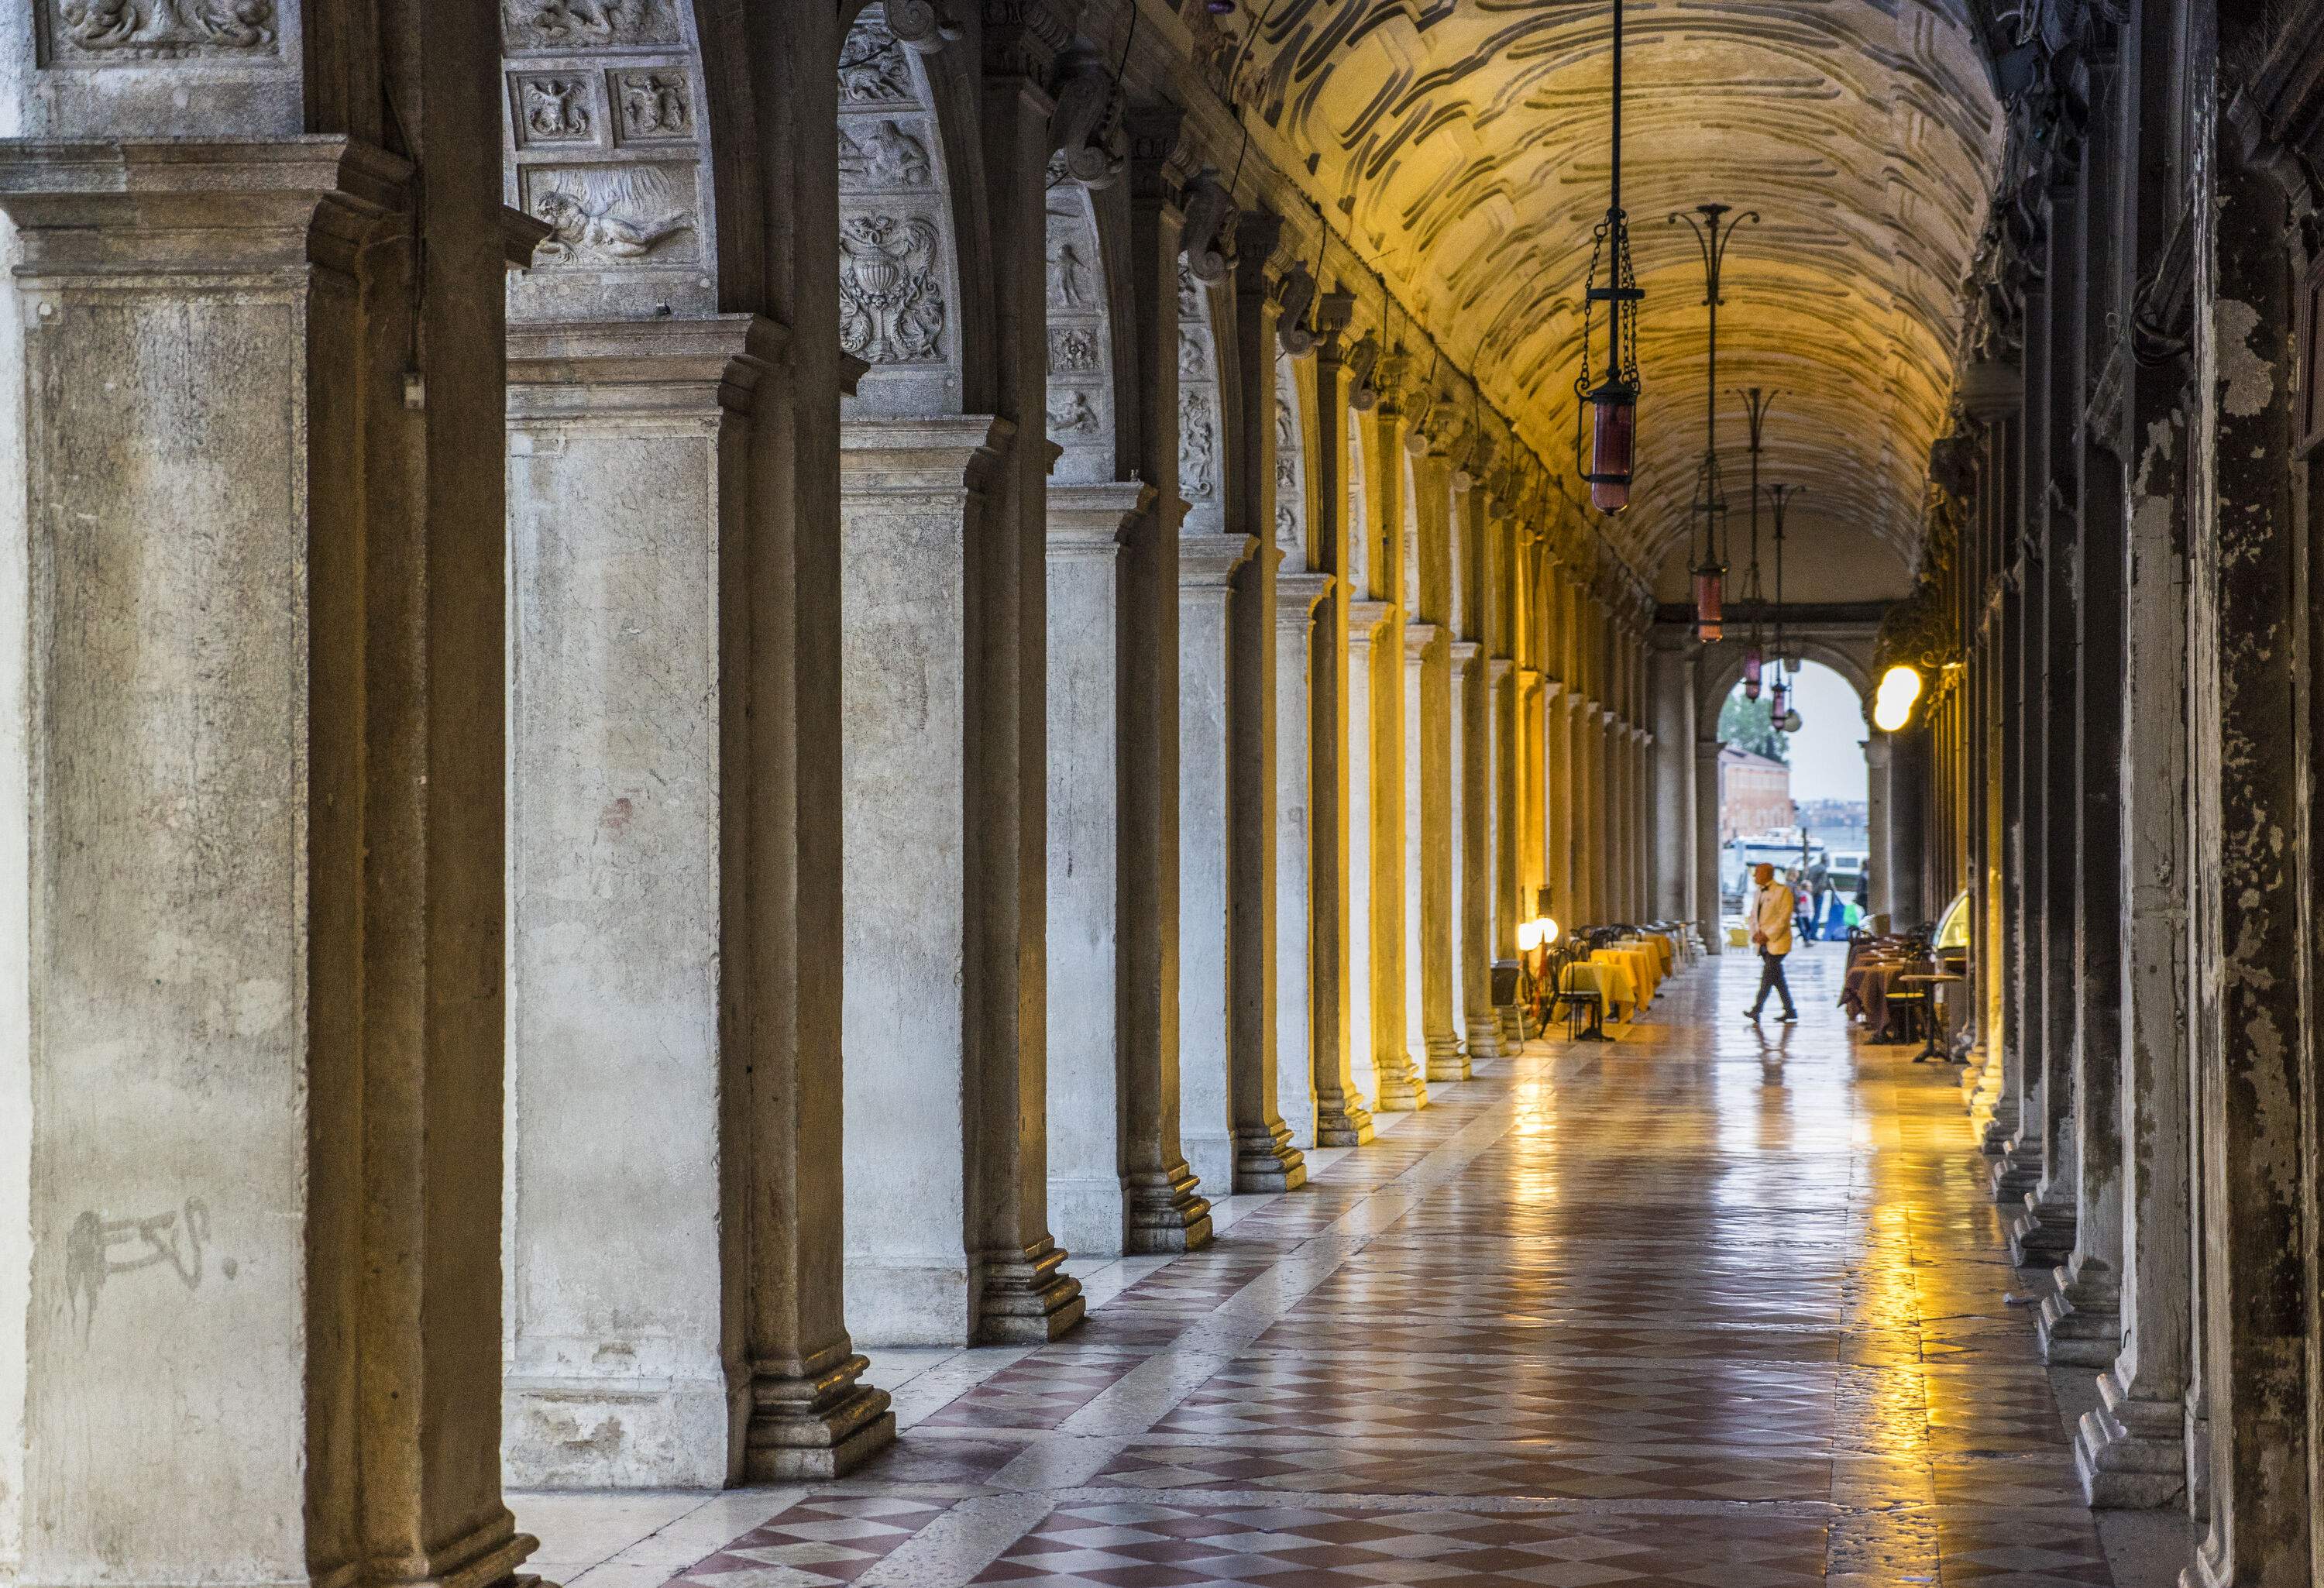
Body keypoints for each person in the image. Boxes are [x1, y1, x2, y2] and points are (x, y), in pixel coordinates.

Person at [1745, 861, 1800, 1023]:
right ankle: (1790, 1010)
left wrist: (1767, 935)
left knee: (1767, 976)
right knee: (1777, 978)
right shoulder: (1758, 892)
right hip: (1763, 943)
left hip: (1778, 942)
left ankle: (1757, 1009)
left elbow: (1784, 919)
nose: (1755, 876)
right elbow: (1753, 916)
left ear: (1768, 874)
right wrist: (1754, 934)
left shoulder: (1783, 892)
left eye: (1758, 873)